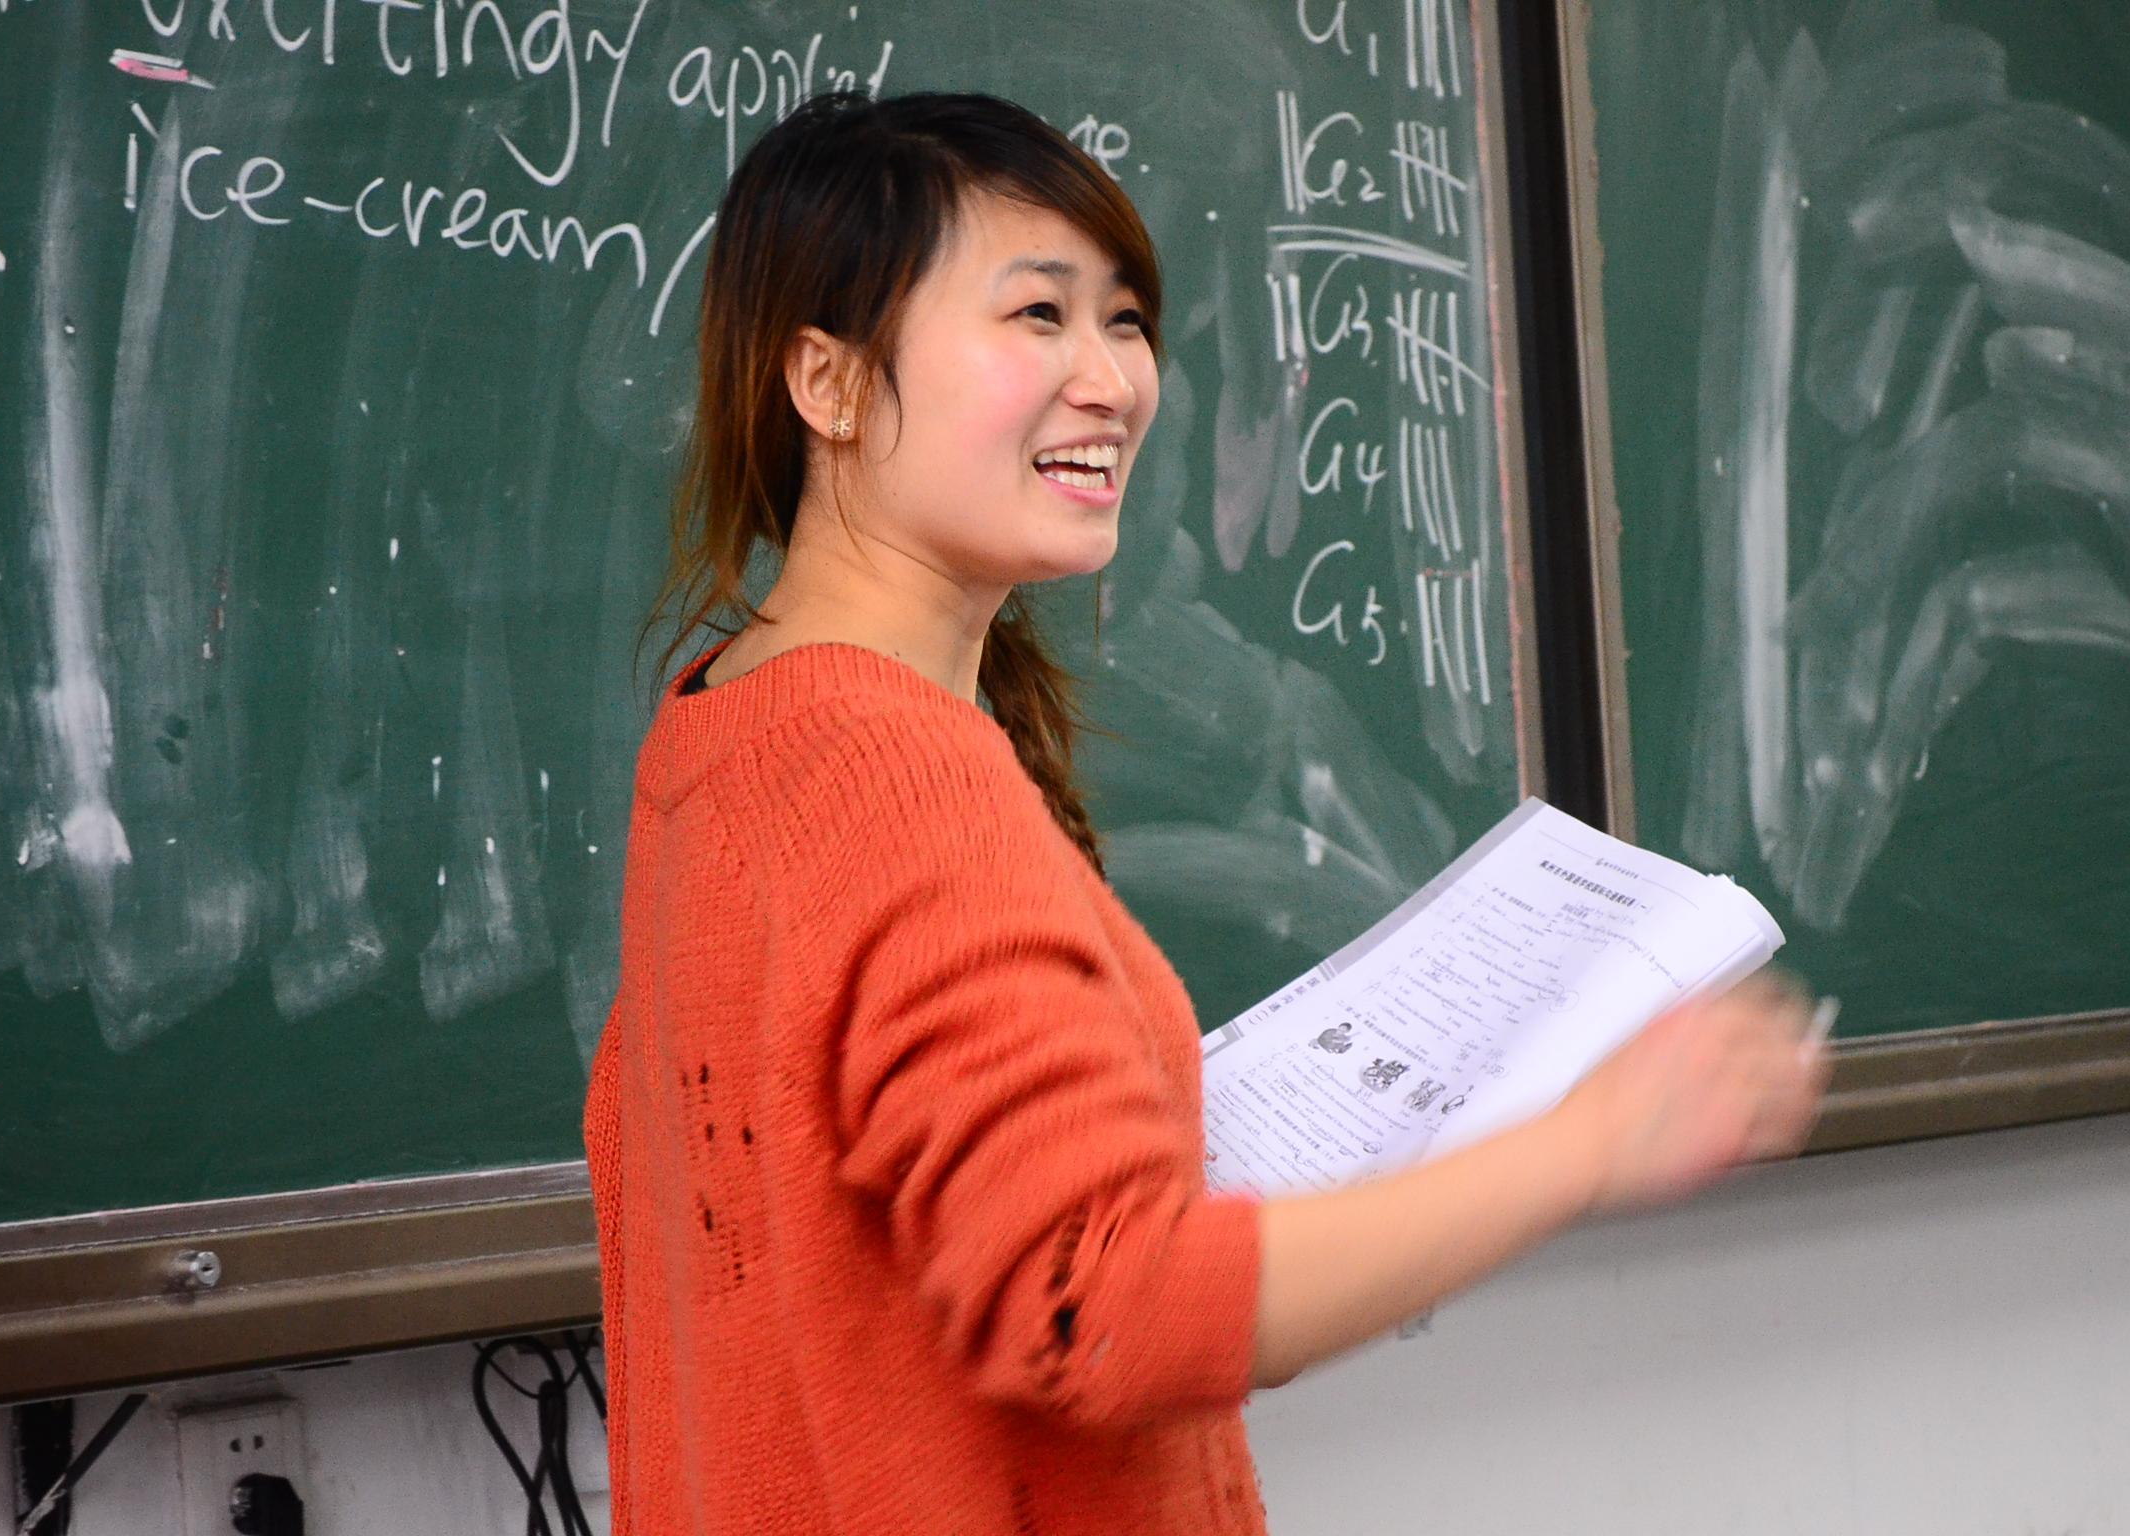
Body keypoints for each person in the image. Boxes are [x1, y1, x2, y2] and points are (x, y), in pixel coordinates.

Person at [582, 90, 1826, 1536]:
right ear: (832, 382)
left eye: (1125, 321)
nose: (1114, 380)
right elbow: (1104, 1305)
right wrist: (1589, 1143)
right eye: (1037, 315)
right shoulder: (901, 782)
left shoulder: (726, 727)